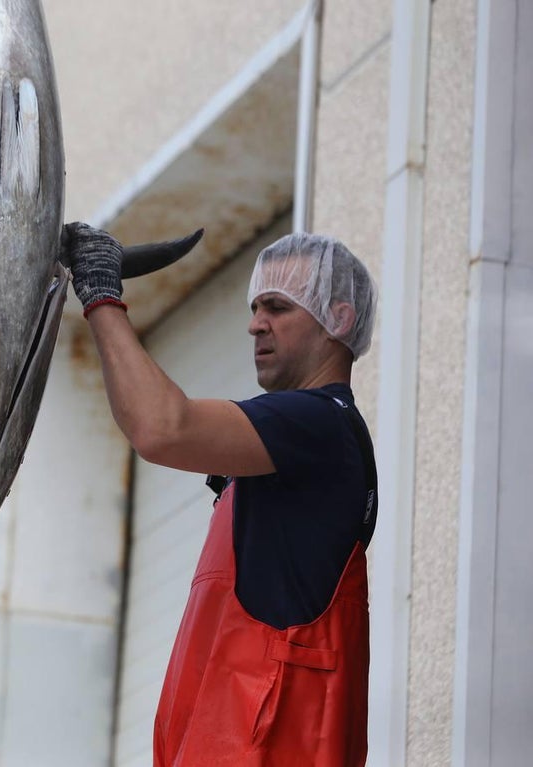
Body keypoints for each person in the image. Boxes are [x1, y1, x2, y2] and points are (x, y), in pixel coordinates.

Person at [64, 224, 379, 767]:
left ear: (339, 319)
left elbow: (161, 428)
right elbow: (152, 424)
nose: (255, 324)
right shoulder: (297, 447)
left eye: (278, 307)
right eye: (255, 307)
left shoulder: (317, 424)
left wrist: (101, 296)